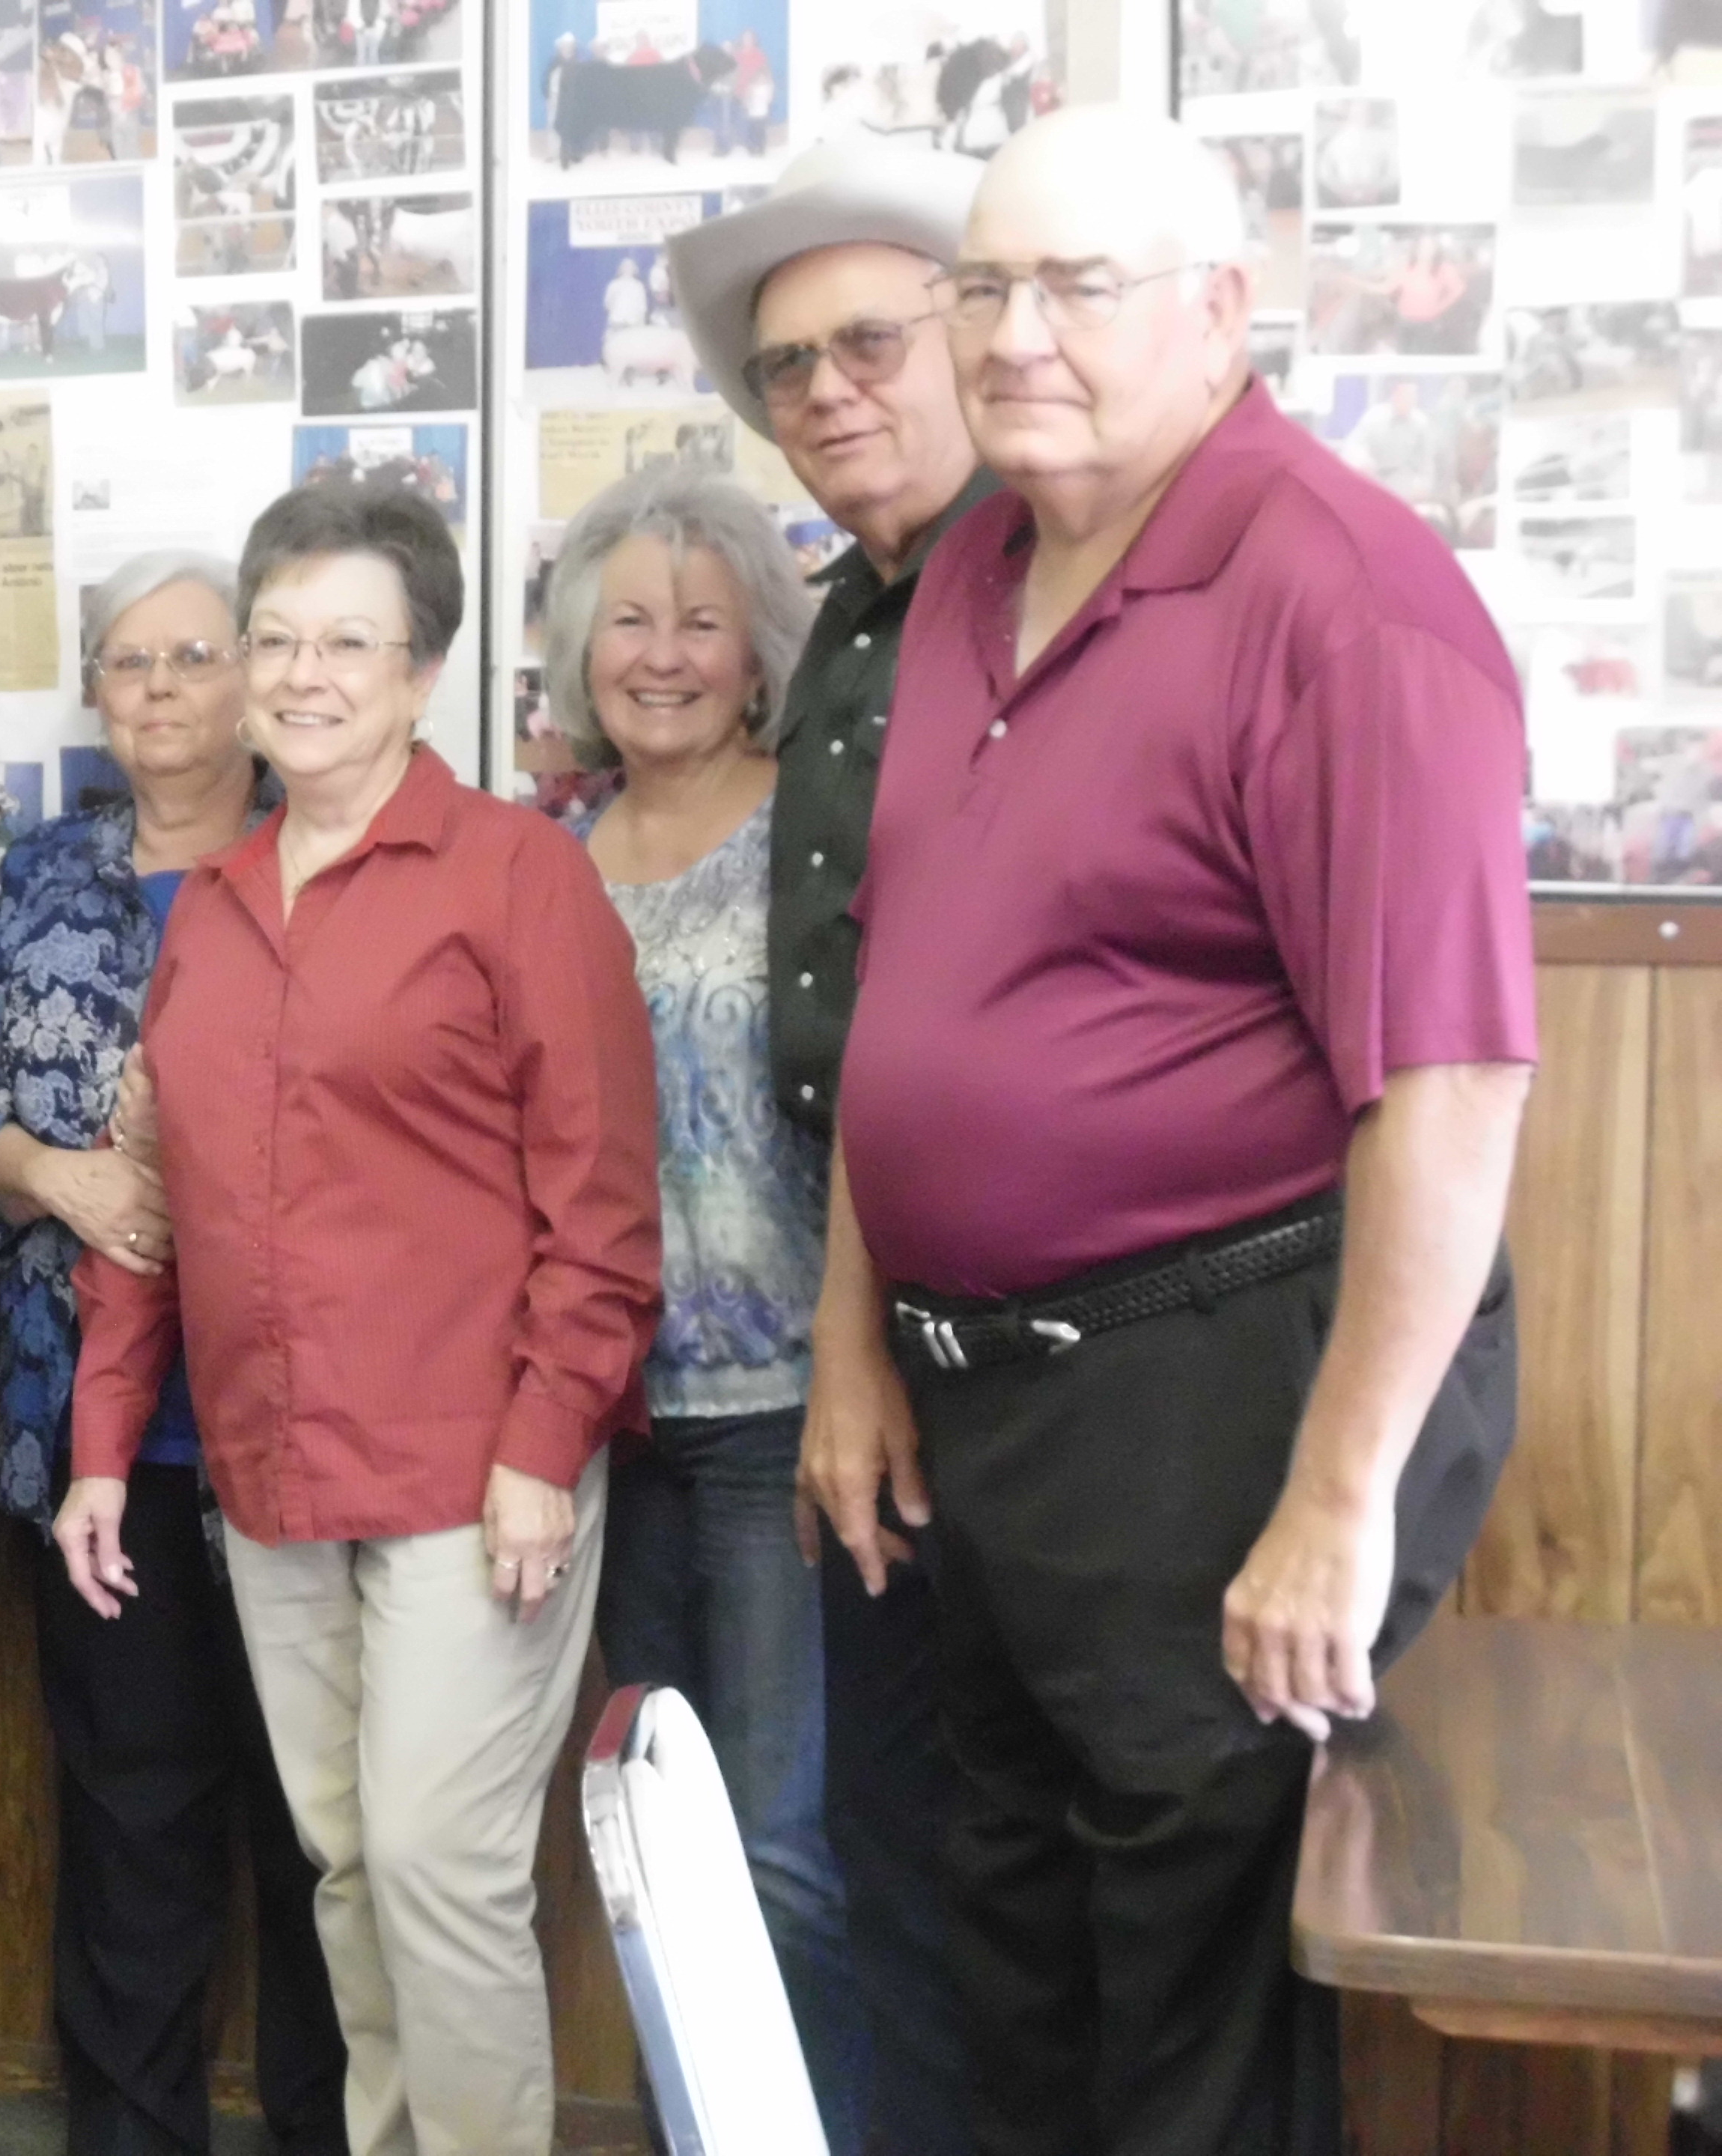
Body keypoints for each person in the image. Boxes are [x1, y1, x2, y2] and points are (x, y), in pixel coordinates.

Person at [830, 107, 1530, 2152]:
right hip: (994, 1405)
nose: (1015, 335)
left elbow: (1453, 1084)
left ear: (1223, 311)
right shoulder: (972, 569)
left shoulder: (1349, 601)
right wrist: (856, 1347)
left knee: (1190, 2018)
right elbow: (909, 998)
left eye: (1079, 287)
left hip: (1222, 1387)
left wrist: (1337, 1496)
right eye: (984, 286)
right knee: (1019, 1961)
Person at [55, 485, 660, 2156]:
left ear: (423, 672)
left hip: (475, 1473)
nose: (303, 676)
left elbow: (603, 1202)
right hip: (272, 1474)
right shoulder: (217, 905)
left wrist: (547, 1447)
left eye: (348, 643)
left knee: (435, 1866)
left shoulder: (518, 877)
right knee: (345, 1866)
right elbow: (155, 1197)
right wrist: (104, 1447)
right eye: (277, 640)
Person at [667, 134, 990, 2156]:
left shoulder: (1043, 581)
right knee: (893, 1840)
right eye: (789, 366)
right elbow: (876, 1029)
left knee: (972, 1863)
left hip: (1055, 1343)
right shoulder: (862, 626)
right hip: (877, 1336)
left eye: (872, 341)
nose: (830, 390)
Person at [0, 553, 343, 2156]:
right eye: (129, 661)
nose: (163, 687)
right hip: (92, 1439)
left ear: (253, 675)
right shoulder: (42, 874)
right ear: (95, 692)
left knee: (319, 1827)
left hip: (310, 1436)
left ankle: (329, 2132)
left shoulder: (333, 858)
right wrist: (66, 1179)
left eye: (195, 654)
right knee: (130, 1820)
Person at [538, 467, 882, 2154]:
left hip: (778, 1414)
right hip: (607, 1420)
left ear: (759, 654)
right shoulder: (546, 857)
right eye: (629, 621)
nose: (661, 655)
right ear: (579, 651)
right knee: (658, 1840)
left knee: (781, 1849)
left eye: (699, 620)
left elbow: (883, 1107)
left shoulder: (817, 834)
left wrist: (857, 1372)